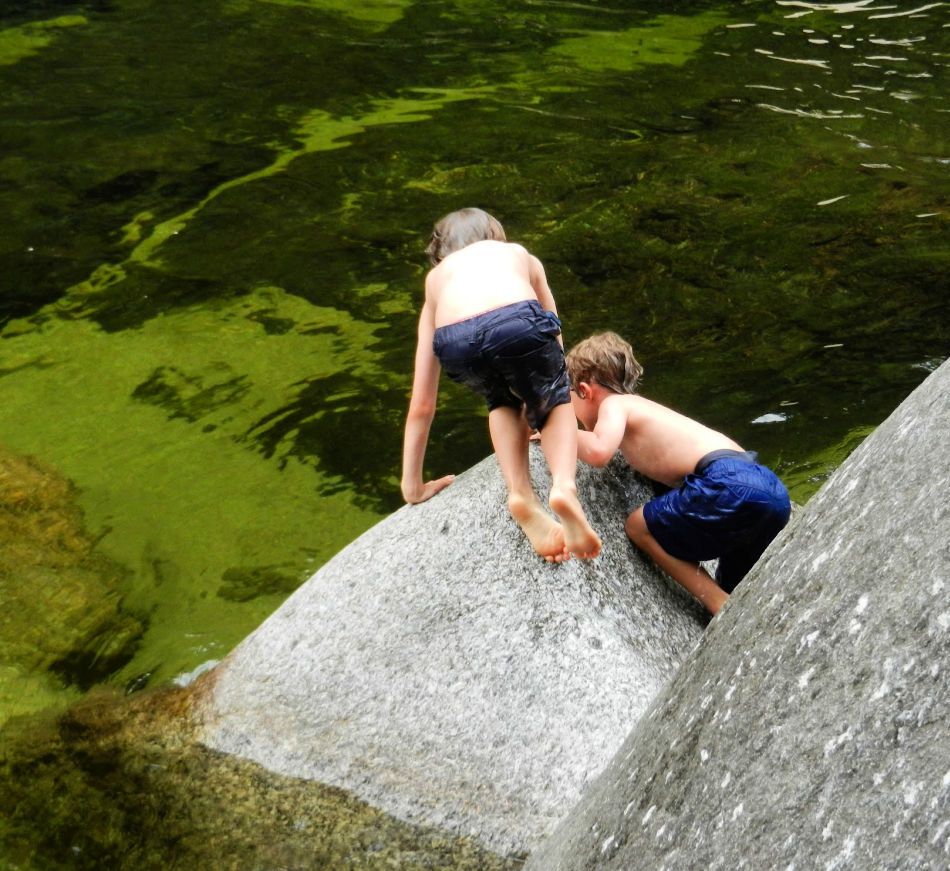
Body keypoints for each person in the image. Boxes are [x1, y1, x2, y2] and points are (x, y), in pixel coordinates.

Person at [400, 207, 602, 562]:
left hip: (456, 341)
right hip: (516, 321)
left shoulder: (435, 283)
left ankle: (521, 494)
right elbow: (554, 341)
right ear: (495, 234)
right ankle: (564, 489)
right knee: (553, 391)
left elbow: (422, 404)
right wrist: (544, 408)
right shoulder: (519, 255)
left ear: (441, 251)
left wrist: (412, 485)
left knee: (498, 397)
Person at [565, 331, 790, 614]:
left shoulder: (615, 405)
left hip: (728, 482)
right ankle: (730, 602)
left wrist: (559, 434)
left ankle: (714, 602)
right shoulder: (649, 411)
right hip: (769, 490)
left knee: (637, 526)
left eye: (570, 401)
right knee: (734, 585)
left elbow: (599, 451)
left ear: (585, 390)